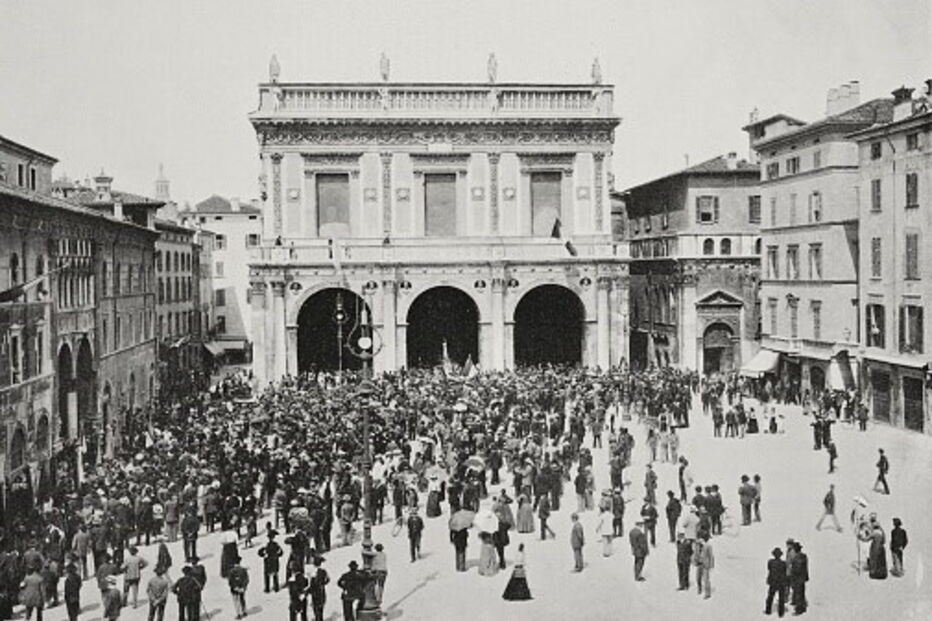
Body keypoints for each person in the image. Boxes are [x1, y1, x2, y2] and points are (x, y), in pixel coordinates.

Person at [765, 547, 788, 617]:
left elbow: (769, 569)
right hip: (781, 582)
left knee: (770, 597)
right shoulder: (784, 563)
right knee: (781, 598)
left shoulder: (770, 562)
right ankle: (781, 612)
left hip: (773, 582)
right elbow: (785, 572)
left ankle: (768, 610)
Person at [789, 542, 808, 615]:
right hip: (802, 577)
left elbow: (797, 569)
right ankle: (803, 608)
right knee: (802, 592)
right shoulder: (804, 556)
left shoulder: (797, 557)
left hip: (797, 578)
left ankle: (799, 609)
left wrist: (792, 575)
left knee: (798, 593)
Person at [228, 554, 250, 619]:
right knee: (242, 599)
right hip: (242, 588)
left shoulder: (232, 571)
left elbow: (230, 581)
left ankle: (238, 614)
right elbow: (247, 579)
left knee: (236, 601)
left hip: (234, 589)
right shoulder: (243, 570)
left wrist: (235, 587)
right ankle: (244, 611)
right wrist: (243, 587)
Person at [308, 557, 329, 621]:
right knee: (320, 607)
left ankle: (318, 618)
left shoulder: (312, 572)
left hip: (315, 592)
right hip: (321, 590)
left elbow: (311, 584)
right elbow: (327, 580)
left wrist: (309, 591)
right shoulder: (323, 571)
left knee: (316, 607)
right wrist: (323, 583)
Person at [695, 534, 714, 599]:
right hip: (699, 564)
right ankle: (699, 589)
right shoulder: (697, 546)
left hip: (705, 565)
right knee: (698, 578)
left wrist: (711, 565)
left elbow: (711, 556)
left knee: (706, 579)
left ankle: (707, 593)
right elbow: (695, 554)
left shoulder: (708, 546)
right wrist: (695, 561)